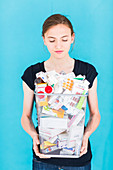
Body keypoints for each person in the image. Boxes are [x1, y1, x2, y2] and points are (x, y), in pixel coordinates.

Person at [21, 14, 100, 170]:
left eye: (64, 39)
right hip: (44, 155)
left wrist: (86, 136)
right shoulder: (32, 73)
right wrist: (34, 137)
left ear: (72, 38)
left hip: (78, 154)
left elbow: (95, 114)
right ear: (44, 39)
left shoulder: (87, 71)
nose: (58, 45)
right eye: (52, 40)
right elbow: (26, 116)